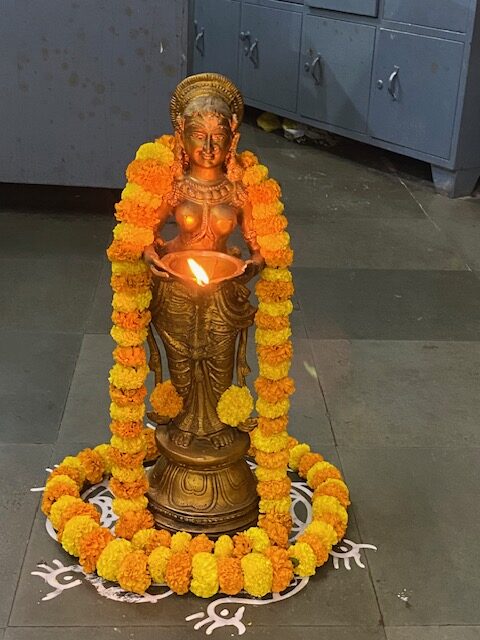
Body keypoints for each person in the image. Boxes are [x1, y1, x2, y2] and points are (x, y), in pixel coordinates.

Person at [143, 73, 263, 450]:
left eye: (218, 137)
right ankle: (183, 425)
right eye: (199, 136)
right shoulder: (175, 186)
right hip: (176, 287)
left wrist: (254, 264)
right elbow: (143, 231)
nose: (209, 147)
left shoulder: (238, 190)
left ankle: (215, 427)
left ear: (233, 139)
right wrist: (149, 254)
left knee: (218, 361)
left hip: (222, 290)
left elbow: (258, 245)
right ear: (182, 136)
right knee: (181, 360)